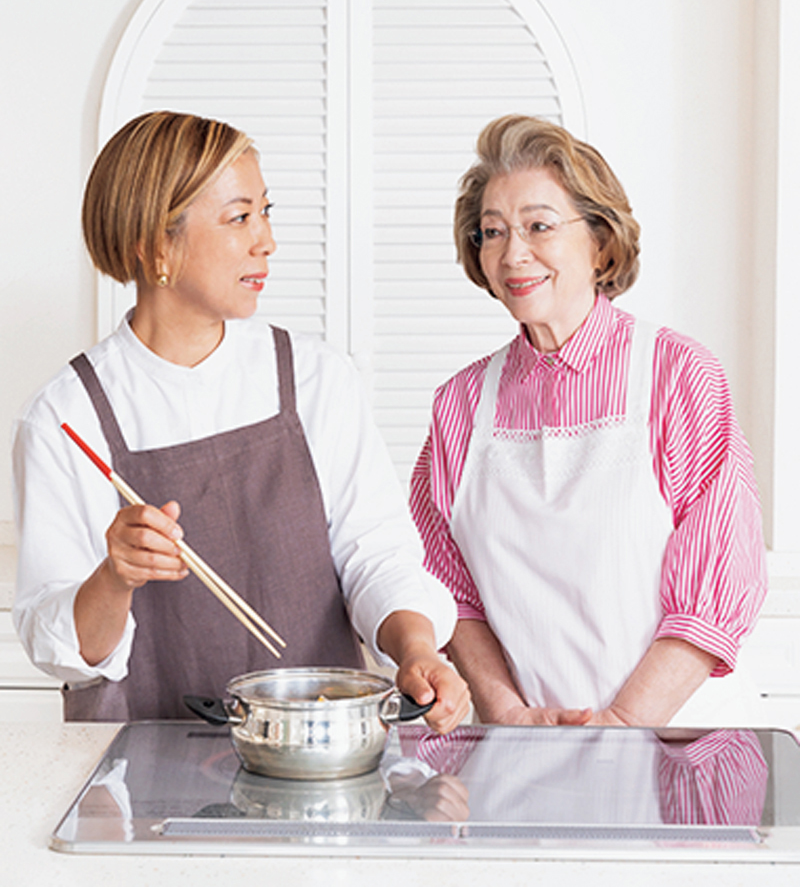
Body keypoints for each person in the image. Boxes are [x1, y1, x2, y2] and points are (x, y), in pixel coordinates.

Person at [13, 110, 469, 730]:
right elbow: (63, 651)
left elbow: (376, 553)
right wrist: (115, 576)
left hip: (314, 757)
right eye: (239, 217)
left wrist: (417, 650)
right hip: (137, 781)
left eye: (265, 211)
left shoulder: (313, 376)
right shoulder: (68, 417)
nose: (267, 240)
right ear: (155, 246)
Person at [410, 115, 767, 727]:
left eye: (538, 226)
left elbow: (717, 583)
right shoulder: (460, 405)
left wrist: (623, 725)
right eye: (491, 232)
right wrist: (511, 714)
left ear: (600, 240)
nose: (512, 253)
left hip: (676, 744)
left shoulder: (677, 375)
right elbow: (448, 591)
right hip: (526, 754)